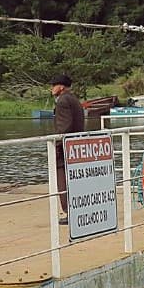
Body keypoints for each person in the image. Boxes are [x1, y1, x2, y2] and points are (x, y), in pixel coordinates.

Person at [51, 73, 85, 224]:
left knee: (62, 178)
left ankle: (69, 211)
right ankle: (76, 210)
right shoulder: (74, 99)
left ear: (61, 86)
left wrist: (56, 145)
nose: (51, 88)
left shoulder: (63, 101)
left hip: (66, 146)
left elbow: (64, 127)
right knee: (74, 179)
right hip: (76, 144)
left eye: (54, 85)